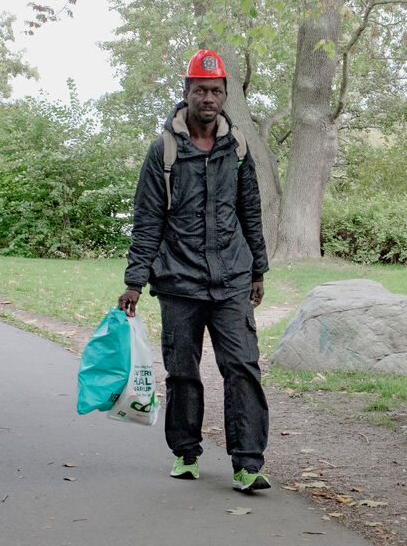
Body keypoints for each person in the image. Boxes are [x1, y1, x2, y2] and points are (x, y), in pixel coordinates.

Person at [117, 49, 270, 493]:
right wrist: (134, 281)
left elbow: (250, 211)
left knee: (242, 367)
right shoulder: (164, 150)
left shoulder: (237, 148)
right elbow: (148, 219)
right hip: (179, 281)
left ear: (225, 95)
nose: (209, 98)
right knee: (182, 371)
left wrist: (258, 270)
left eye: (216, 91)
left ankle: (247, 463)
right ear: (186, 91)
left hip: (231, 278)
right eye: (201, 90)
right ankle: (186, 453)